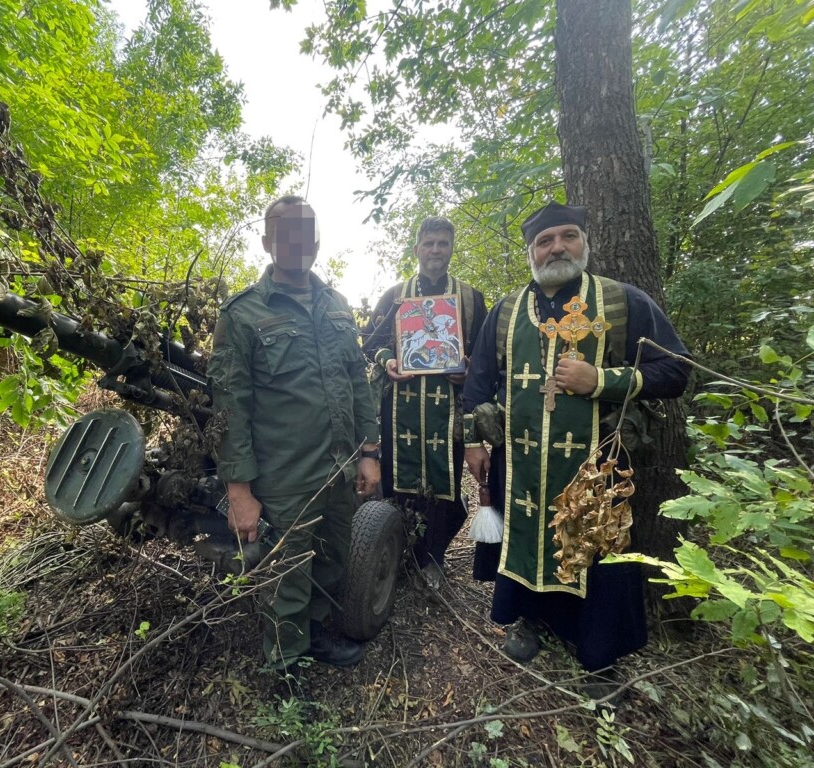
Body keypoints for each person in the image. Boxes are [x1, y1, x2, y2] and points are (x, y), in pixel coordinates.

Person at [462, 201, 690, 694]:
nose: (557, 247)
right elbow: (477, 384)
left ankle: (599, 654)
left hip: (598, 463)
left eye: (568, 236)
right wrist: (474, 442)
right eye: (545, 240)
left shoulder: (620, 302)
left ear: (586, 242)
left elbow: (676, 372)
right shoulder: (505, 312)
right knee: (526, 539)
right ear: (531, 252)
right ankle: (530, 619)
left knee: (596, 549)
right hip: (519, 462)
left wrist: (602, 380)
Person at [208, 195, 381, 674]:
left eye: (306, 232)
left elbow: (357, 382)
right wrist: (239, 490)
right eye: (286, 233)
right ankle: (284, 668)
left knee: (330, 559)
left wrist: (369, 452)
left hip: (339, 466)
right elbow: (229, 411)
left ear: (318, 241)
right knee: (287, 576)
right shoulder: (242, 315)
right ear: (268, 242)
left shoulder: (337, 306)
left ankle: (315, 636)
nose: (297, 242)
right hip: (285, 475)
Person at [362, 217, 487, 587]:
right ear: (416, 249)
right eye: (429, 244)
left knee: (444, 480)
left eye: (443, 244)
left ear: (451, 248)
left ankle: (432, 558)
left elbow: (484, 356)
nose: (436, 250)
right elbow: (370, 344)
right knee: (397, 479)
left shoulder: (469, 298)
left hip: (447, 408)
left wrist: (468, 369)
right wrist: (388, 359)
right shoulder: (395, 295)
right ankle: (396, 554)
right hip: (399, 406)